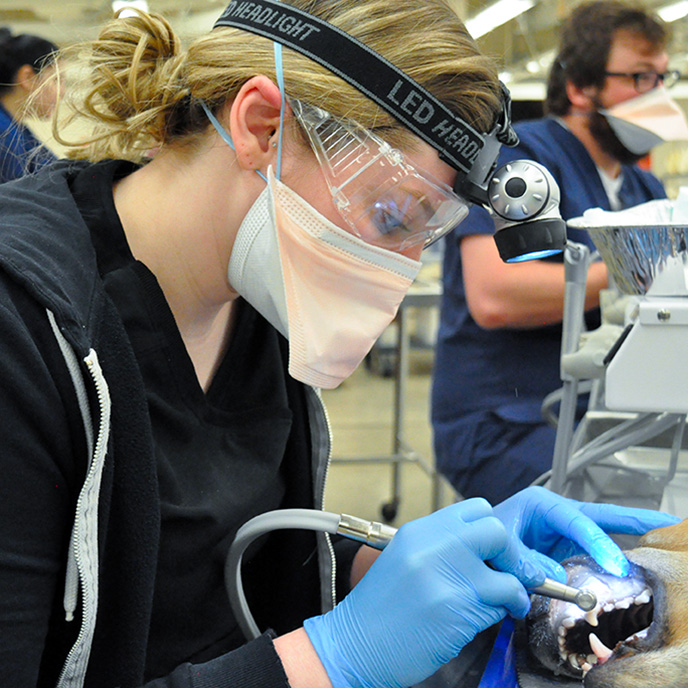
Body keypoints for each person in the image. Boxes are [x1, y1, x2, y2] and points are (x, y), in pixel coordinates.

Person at [0, 2, 679, 687]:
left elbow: (225, 551)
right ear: (262, 127)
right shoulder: (23, 331)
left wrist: (415, 566)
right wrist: (333, 655)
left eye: (427, 237)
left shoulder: (256, 298)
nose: (400, 270)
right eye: (391, 216)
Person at [432, 0, 675, 505]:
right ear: (580, 88)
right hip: (505, 422)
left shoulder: (643, 188)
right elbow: (494, 295)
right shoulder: (522, 160)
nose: (657, 94)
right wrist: (638, 268)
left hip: (600, 412)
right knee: (624, 529)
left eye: (662, 77)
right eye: (638, 78)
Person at [0, 28, 60, 183]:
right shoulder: (5, 135)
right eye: (56, 80)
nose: (62, 92)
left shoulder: (17, 131)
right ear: (28, 78)